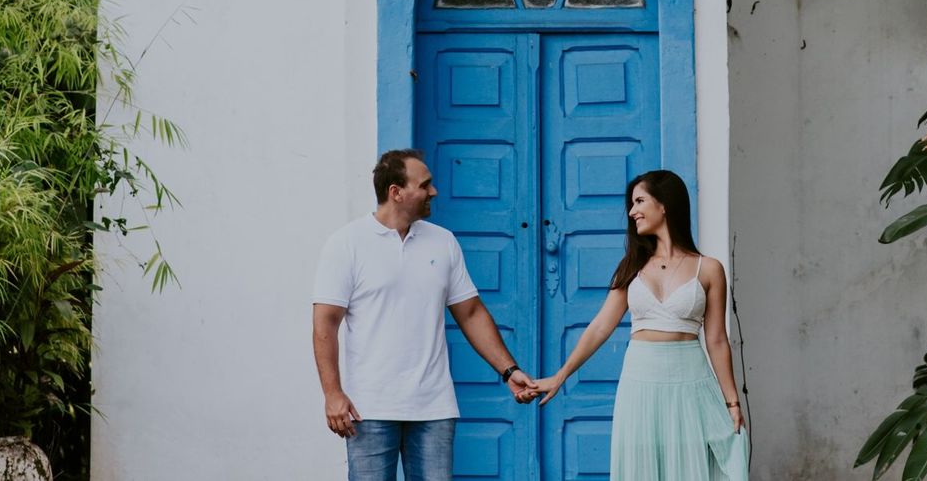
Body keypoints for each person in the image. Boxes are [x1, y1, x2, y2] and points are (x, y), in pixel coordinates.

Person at [312, 148, 537, 480]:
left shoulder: (443, 242)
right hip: (368, 409)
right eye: (426, 184)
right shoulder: (347, 244)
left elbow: (471, 313)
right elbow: (325, 325)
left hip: (433, 408)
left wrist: (508, 370)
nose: (434, 192)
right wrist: (332, 394)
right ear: (396, 192)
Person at [526, 169, 748, 481]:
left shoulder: (709, 269)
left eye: (639, 201)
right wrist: (560, 376)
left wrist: (732, 402)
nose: (632, 212)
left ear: (664, 205)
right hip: (640, 382)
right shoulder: (631, 266)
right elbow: (601, 327)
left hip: (691, 383)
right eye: (631, 204)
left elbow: (717, 340)